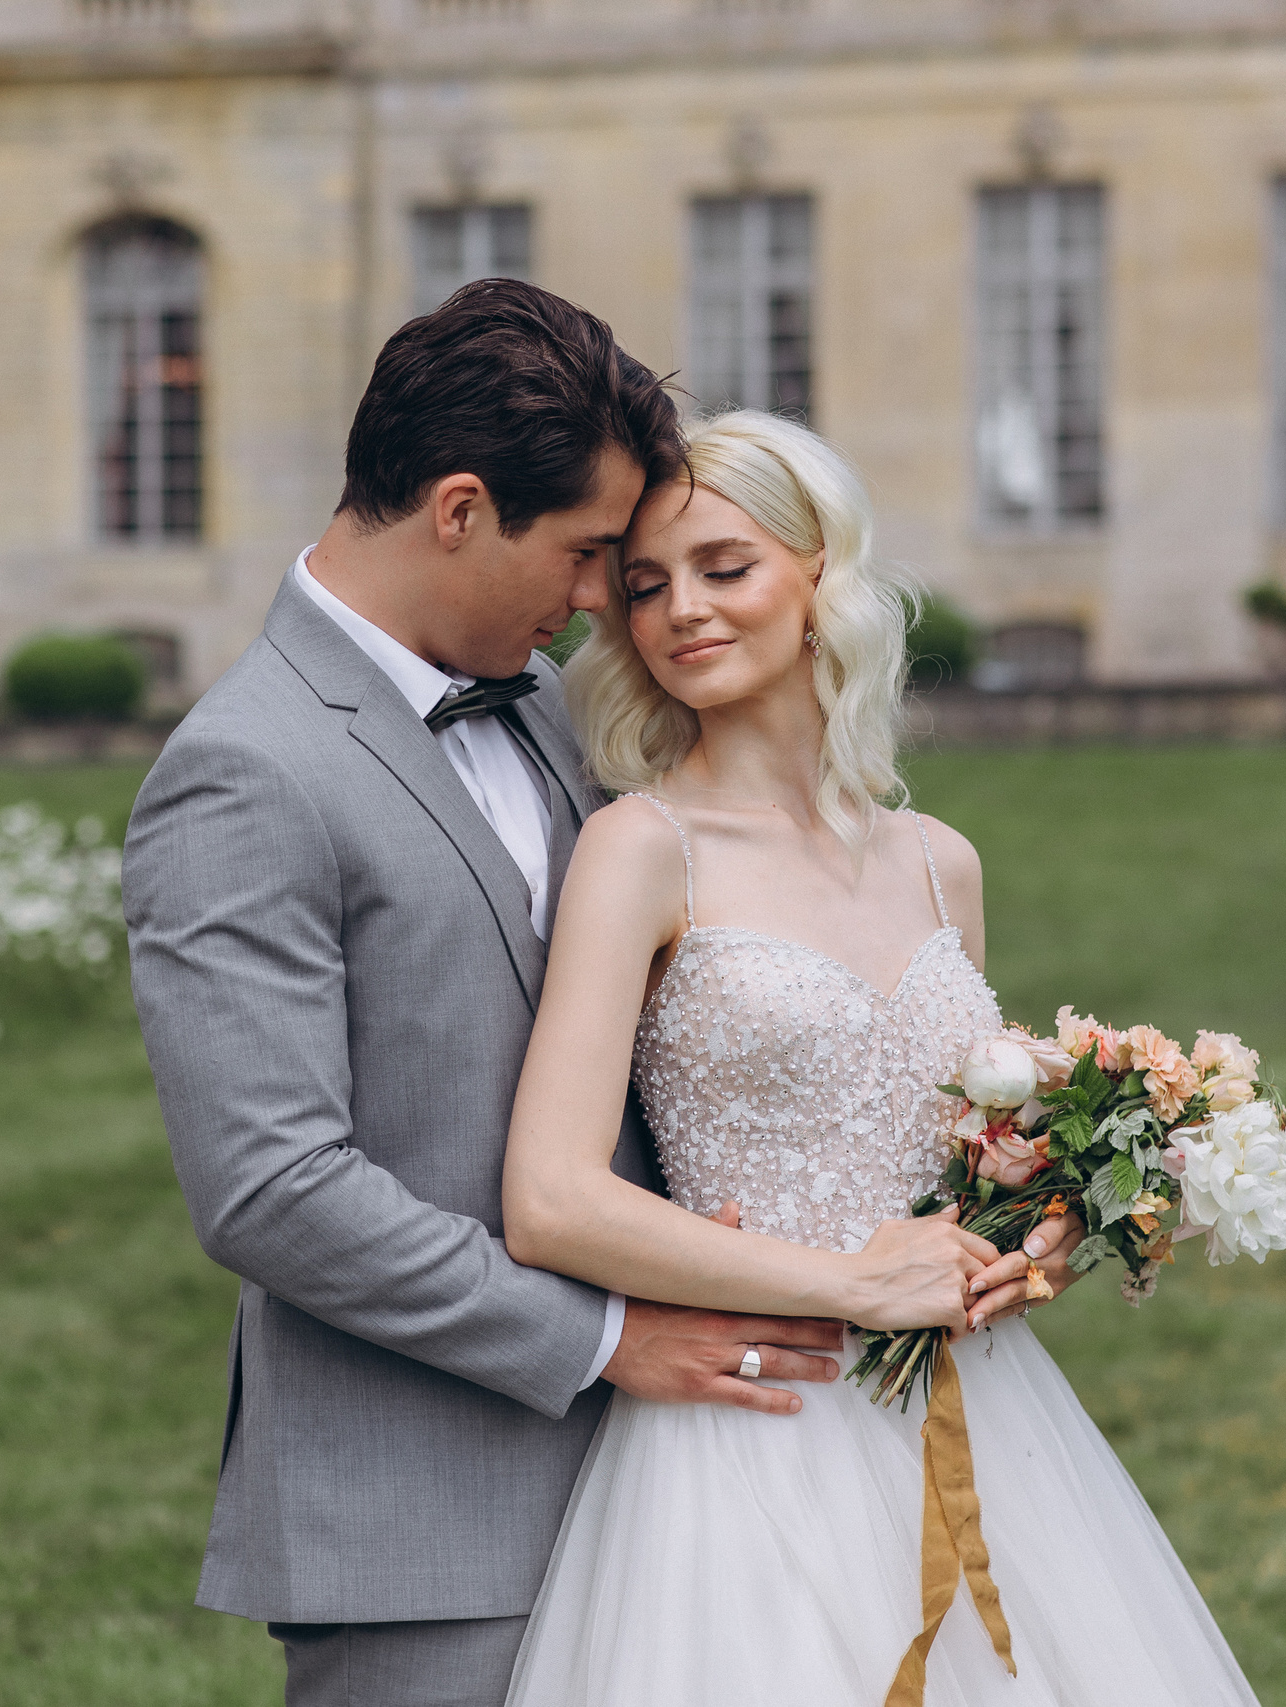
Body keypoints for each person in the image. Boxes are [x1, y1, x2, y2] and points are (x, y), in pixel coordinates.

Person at [123, 282, 989, 1707]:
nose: (609, 606)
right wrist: (601, 1337)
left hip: (705, 1480)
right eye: (595, 555)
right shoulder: (247, 771)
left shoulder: (548, 711)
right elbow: (273, 1188)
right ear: (460, 508)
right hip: (432, 1522)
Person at [500, 411, 1259, 1704]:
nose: (680, 608)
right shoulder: (642, 849)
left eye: (724, 567)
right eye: (643, 585)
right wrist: (846, 1281)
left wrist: (1052, 1219)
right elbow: (550, 1196)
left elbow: (965, 1138)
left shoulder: (935, 859)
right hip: (752, 1431)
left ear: (819, 579)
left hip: (983, 1417)